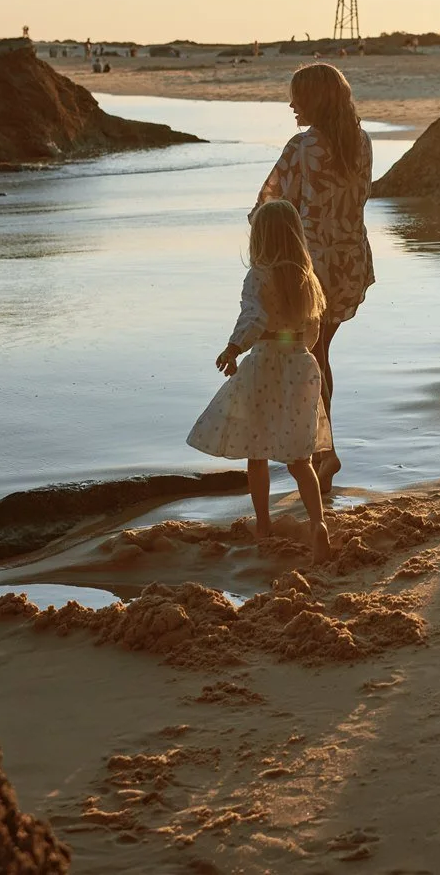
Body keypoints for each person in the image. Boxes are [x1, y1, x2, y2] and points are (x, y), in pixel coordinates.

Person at [187, 200, 332, 559]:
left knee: (257, 451)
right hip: (300, 364)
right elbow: (312, 331)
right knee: (300, 458)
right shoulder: (307, 278)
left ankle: (264, 524)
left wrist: (234, 348)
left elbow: (252, 318)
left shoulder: (258, 276)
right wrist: (295, 347)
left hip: (264, 364)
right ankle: (318, 523)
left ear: (261, 239)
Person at [256, 63, 373, 496]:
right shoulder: (362, 141)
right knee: (319, 352)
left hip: (312, 266)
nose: (291, 104)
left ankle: (323, 453)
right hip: (350, 260)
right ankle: (321, 452)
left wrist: (262, 259)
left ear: (315, 101)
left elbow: (270, 205)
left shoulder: (302, 147)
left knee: (310, 356)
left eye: (297, 98)